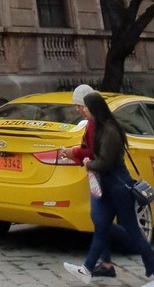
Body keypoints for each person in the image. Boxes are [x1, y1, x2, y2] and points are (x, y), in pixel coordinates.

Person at [64, 91, 154, 283]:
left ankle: (152, 270)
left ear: (95, 108)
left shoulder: (110, 131)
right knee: (101, 225)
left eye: (85, 107)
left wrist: (88, 163)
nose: (82, 111)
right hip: (106, 187)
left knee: (132, 231)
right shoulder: (98, 128)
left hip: (119, 188)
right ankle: (88, 269)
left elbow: (105, 162)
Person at [60, 85, 115, 279]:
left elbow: (92, 152)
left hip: (103, 178)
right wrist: (75, 154)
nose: (77, 109)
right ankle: (106, 264)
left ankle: (89, 267)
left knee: (103, 222)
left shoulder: (94, 123)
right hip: (99, 178)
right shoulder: (91, 121)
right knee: (101, 221)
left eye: (79, 105)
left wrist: (73, 152)